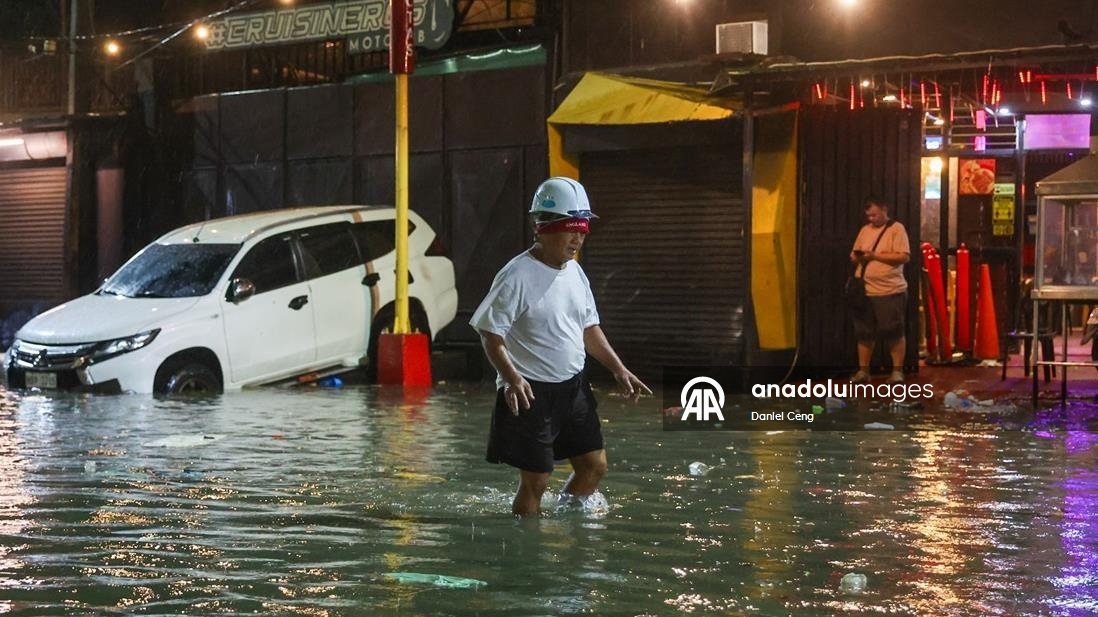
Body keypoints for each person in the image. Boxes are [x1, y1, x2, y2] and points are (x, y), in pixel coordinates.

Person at [470, 176, 652, 517]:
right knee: (536, 482)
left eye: (583, 228)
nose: (578, 237)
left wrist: (618, 368)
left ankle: (568, 522)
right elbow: (490, 333)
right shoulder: (517, 275)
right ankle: (528, 554)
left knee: (594, 466)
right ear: (541, 227)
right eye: (571, 227)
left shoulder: (575, 273)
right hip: (531, 391)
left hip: (573, 388)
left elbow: (588, 328)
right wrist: (512, 377)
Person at [849, 198, 910, 384]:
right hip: (865, 290)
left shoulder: (896, 229)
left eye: (874, 214)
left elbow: (904, 257)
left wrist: (875, 255)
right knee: (864, 332)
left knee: (893, 331)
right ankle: (863, 371)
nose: (871, 218)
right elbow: (854, 253)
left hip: (889, 290)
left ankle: (897, 371)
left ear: (885, 210)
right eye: (868, 215)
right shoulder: (865, 230)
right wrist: (857, 257)